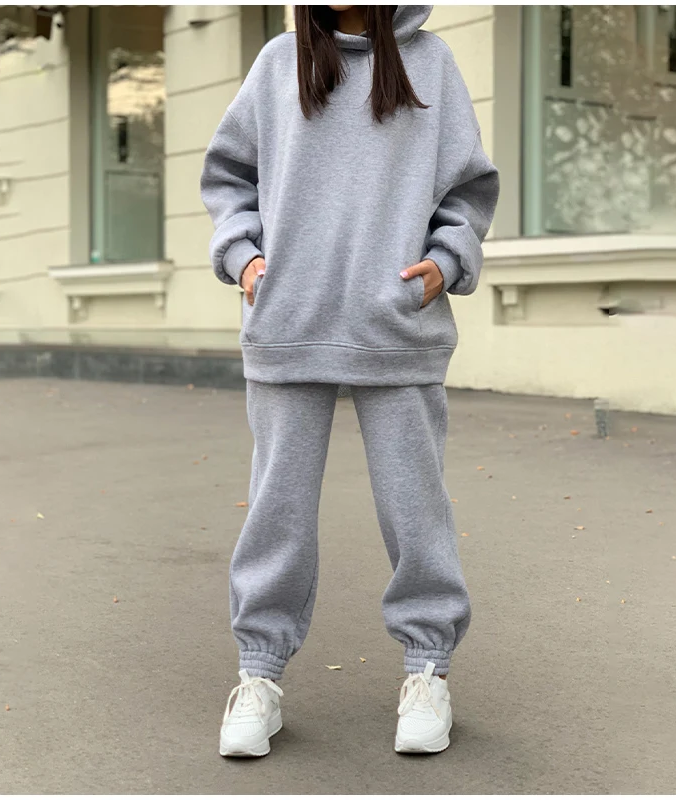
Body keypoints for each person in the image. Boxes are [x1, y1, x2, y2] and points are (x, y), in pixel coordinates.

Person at [200, 4, 499, 757]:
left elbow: (468, 190)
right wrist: (246, 260)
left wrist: (447, 262)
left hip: (397, 324)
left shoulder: (431, 65)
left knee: (415, 509)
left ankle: (428, 669)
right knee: (276, 513)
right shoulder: (279, 64)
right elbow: (229, 176)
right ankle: (259, 676)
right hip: (288, 320)